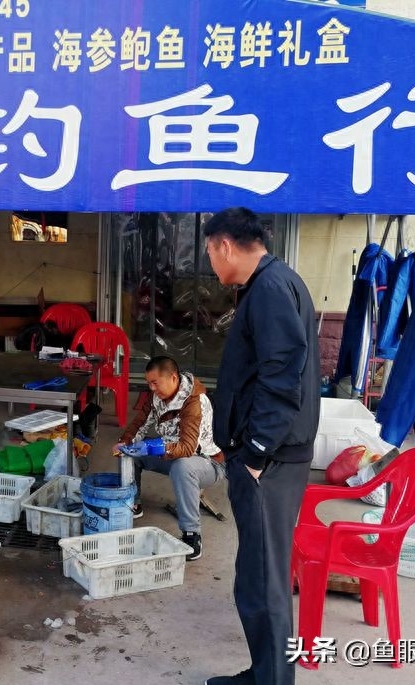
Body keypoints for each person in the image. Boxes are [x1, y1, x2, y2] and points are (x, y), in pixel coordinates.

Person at [201, 208, 320, 685]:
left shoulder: (270, 288)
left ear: (225, 246)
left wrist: (253, 453)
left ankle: (271, 681)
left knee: (265, 580)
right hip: (270, 457)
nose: (211, 263)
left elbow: (281, 376)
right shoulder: (272, 283)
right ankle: (264, 674)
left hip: (268, 461)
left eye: (210, 252)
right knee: (258, 574)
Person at [114, 356, 223, 561]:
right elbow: (140, 422)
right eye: (148, 383)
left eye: (155, 382)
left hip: (207, 462)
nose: (151, 387)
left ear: (173, 378)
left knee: (183, 467)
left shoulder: (194, 402)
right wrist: (125, 441)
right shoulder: (157, 397)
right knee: (128, 452)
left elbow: (188, 447)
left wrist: (151, 447)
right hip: (171, 453)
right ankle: (132, 503)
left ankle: (192, 535)